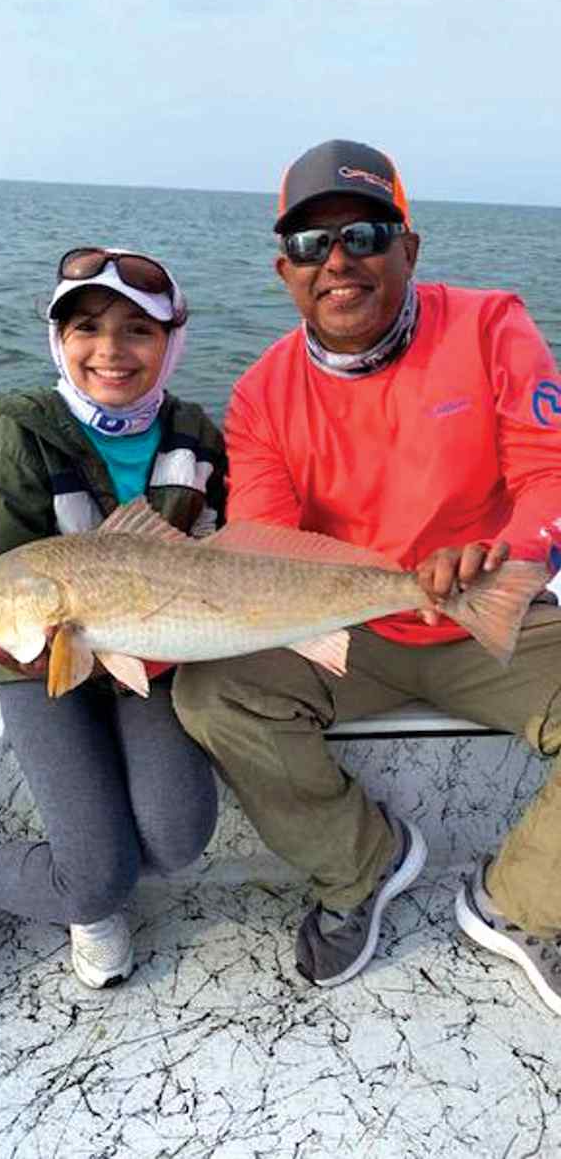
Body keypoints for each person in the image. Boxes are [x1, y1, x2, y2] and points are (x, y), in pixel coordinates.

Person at [173, 139, 561, 1015]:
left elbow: (550, 472)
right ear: (286, 271)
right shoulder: (262, 395)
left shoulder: (493, 325)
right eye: (312, 245)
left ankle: (515, 902)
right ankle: (362, 865)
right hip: (348, 632)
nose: (338, 260)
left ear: (410, 249)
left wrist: (508, 550)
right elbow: (266, 555)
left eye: (365, 233)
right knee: (210, 695)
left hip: (490, 605)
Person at [0, 247, 225, 1013]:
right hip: (40, 666)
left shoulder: (196, 432)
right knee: (95, 879)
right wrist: (47, 640)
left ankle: (96, 864)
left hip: (150, 656)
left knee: (180, 839)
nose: (111, 350)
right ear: (59, 339)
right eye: (86, 327)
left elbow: (224, 548)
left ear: (171, 341)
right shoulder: (17, 438)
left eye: (138, 330)